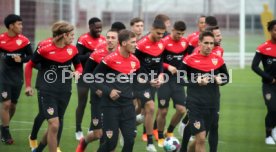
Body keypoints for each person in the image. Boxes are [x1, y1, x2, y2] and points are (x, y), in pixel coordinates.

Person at [25, 20, 83, 152]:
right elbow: (29, 65)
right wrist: (28, 86)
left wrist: (78, 72)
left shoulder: (72, 50)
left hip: (65, 91)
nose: (73, 38)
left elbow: (79, 66)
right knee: (54, 124)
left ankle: (38, 149)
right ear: (64, 35)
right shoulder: (44, 50)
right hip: (47, 91)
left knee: (55, 124)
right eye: (72, 35)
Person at [181, 31, 229, 152]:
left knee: (208, 133)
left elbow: (226, 77)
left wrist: (220, 80)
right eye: (206, 43)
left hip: (213, 103)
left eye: (211, 43)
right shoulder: (189, 60)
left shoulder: (218, 60)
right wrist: (197, 81)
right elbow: (179, 79)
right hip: (194, 103)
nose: (209, 46)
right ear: (199, 43)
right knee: (201, 138)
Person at [93, 29, 140, 152]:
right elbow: (94, 78)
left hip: (128, 107)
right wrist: (109, 91)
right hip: (110, 107)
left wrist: (150, 82)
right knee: (110, 144)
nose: (136, 44)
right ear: (124, 43)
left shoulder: (135, 61)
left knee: (130, 141)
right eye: (133, 42)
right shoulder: (110, 59)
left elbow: (137, 81)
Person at [76, 29, 119, 152]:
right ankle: (84, 141)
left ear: (119, 41)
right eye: (108, 37)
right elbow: (86, 76)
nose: (110, 40)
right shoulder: (96, 54)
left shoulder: (123, 55)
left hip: (114, 98)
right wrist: (96, 89)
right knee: (98, 134)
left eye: (113, 38)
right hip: (98, 98)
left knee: (110, 135)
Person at [0, 14, 33, 144]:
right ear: (11, 26)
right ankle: (6, 132)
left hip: (17, 78)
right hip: (3, 77)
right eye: (19, 24)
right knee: (6, 104)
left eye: (21, 24)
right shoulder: (1, 40)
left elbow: (32, 57)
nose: (21, 27)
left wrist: (22, 59)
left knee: (12, 105)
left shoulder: (24, 41)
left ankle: (3, 126)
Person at [134, 19, 166, 152]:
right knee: (151, 108)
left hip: (152, 82)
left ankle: (129, 125)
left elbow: (160, 64)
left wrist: (160, 76)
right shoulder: (140, 45)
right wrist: (147, 79)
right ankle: (150, 143)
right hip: (138, 81)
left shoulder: (161, 44)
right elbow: (134, 66)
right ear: (152, 29)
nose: (160, 36)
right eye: (158, 33)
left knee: (140, 111)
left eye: (162, 34)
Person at [156, 21, 188, 148]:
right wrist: (168, 66)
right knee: (163, 111)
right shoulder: (163, 42)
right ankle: (159, 136)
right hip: (163, 78)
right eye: (177, 33)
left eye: (182, 34)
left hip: (177, 79)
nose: (179, 36)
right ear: (172, 30)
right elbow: (157, 60)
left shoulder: (185, 43)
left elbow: (186, 58)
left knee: (181, 110)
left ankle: (169, 131)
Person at [75, 17, 105, 140]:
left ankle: (92, 127)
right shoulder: (83, 39)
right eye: (97, 27)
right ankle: (78, 129)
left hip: (98, 76)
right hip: (84, 75)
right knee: (82, 102)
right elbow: (77, 58)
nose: (99, 30)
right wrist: (89, 55)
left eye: (100, 27)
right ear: (90, 26)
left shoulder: (104, 40)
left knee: (96, 103)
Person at [252, 19, 276, 145]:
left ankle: (274, 129)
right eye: (275, 30)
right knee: (272, 108)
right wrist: (269, 78)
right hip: (269, 85)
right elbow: (254, 66)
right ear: (270, 31)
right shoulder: (263, 48)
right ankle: (268, 135)